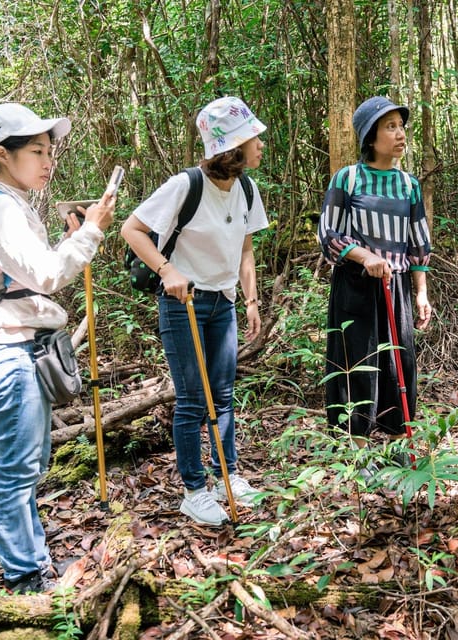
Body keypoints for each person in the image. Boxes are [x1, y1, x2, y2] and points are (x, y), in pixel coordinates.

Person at [0, 103, 116, 593]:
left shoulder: (12, 204)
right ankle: (25, 577)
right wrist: (91, 231)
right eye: (36, 150)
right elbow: (48, 277)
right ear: (3, 154)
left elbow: (28, 274)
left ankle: (33, 562)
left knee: (30, 463)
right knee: (17, 468)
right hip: (8, 351)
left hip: (26, 347)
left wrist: (74, 238)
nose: (48, 160)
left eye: (50, 150)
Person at [121, 96, 266, 526]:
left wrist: (251, 299)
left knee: (223, 396)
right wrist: (167, 270)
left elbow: (245, 248)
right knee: (191, 401)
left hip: (224, 303)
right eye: (253, 137)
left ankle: (227, 475)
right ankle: (194, 489)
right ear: (232, 146)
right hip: (183, 303)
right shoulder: (186, 186)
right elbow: (133, 229)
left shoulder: (246, 189)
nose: (260, 145)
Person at [318, 96, 433, 465]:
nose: (400, 135)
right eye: (391, 127)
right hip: (355, 287)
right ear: (370, 136)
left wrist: (421, 294)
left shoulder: (408, 185)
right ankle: (358, 453)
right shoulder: (347, 179)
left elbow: (418, 243)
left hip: (396, 286)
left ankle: (399, 443)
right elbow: (329, 232)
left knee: (400, 362)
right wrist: (365, 256)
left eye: (402, 126)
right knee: (357, 362)